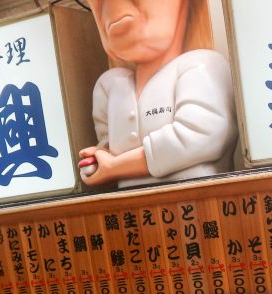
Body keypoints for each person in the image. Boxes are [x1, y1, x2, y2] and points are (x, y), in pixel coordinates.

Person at [79, 0, 237, 189]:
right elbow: (108, 147)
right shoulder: (110, 86)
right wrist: (98, 159)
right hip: (131, 209)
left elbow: (200, 137)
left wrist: (114, 167)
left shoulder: (202, 64)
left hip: (200, 202)